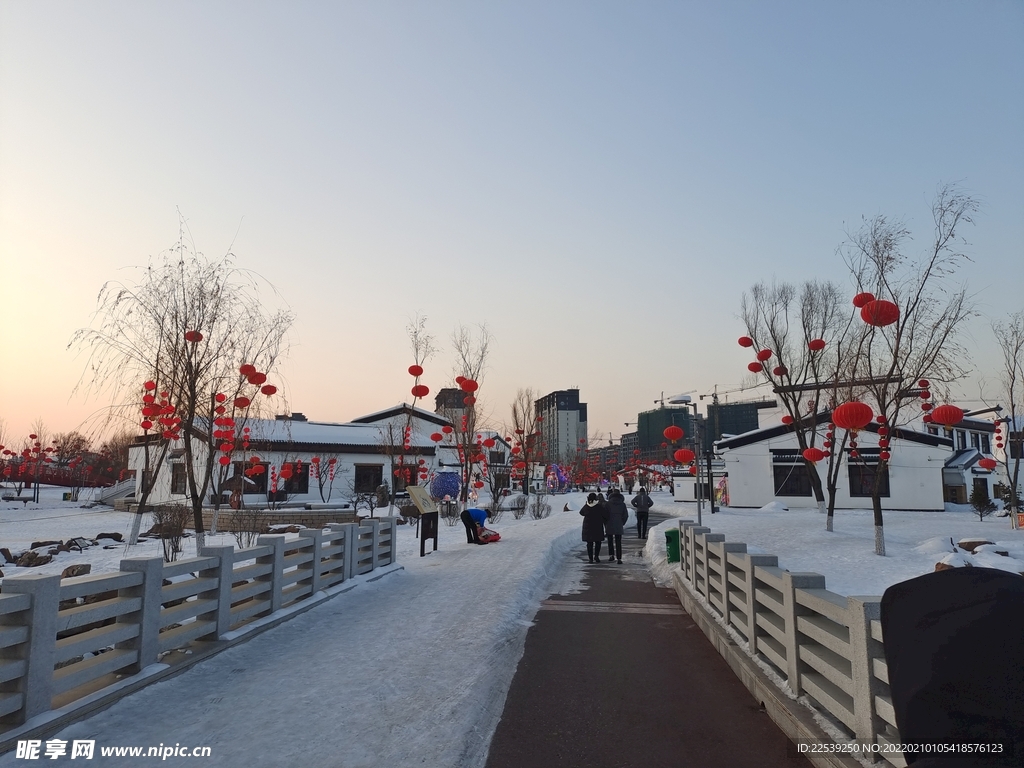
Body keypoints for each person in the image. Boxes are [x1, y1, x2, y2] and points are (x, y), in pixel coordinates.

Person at [580, 492, 609, 563]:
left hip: (588, 527)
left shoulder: (586, 506)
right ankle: (596, 556)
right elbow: (605, 515)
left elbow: (581, 512)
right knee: (598, 542)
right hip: (597, 526)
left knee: (589, 543)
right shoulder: (599, 507)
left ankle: (590, 558)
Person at [605, 489, 629, 564]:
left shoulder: (608, 504)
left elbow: (605, 515)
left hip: (609, 524)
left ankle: (611, 555)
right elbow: (625, 515)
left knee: (610, 541)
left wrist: (606, 523)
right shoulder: (622, 504)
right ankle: (619, 558)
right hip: (619, 524)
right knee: (618, 542)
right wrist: (622, 523)